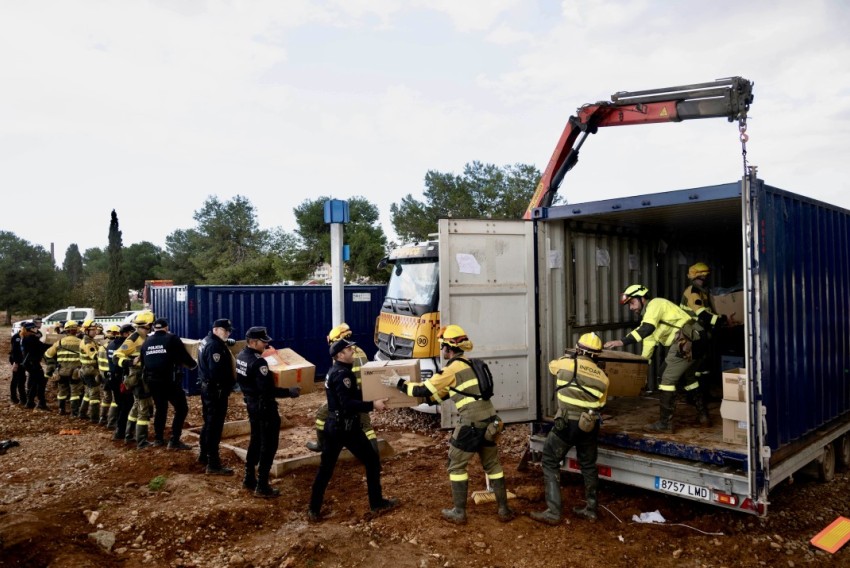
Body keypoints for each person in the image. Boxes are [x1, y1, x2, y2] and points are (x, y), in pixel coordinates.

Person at [383, 324, 514, 524]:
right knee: (493, 465)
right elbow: (443, 394)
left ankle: (459, 513)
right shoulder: (471, 364)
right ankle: (504, 509)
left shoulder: (451, 369)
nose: (441, 350)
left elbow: (422, 390)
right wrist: (429, 400)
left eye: (442, 346)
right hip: (490, 421)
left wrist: (399, 384)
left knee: (456, 465)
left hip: (471, 423)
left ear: (449, 348)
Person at [308, 337, 398, 521]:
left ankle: (313, 510)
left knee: (325, 469)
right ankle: (377, 503)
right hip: (347, 428)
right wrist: (373, 405)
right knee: (372, 461)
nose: (353, 352)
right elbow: (348, 403)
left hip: (334, 426)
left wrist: (374, 394)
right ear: (340, 355)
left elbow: (352, 395)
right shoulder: (343, 374)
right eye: (349, 350)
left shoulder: (335, 371)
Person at [604, 284, 705, 433]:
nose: (631, 308)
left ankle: (665, 424)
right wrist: (640, 372)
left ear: (642, 298)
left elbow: (646, 329)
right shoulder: (649, 319)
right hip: (696, 339)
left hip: (687, 339)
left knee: (665, 378)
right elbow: (648, 347)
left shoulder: (655, 304)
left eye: (632, 302)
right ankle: (703, 415)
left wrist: (621, 342)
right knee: (688, 378)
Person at [531, 333, 609, 525]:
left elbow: (551, 367)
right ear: (597, 354)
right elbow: (601, 403)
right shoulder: (603, 378)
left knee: (549, 461)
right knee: (588, 466)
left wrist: (569, 358)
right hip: (588, 424)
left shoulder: (565, 364)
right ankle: (591, 510)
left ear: (578, 349)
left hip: (565, 424)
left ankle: (553, 512)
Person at [236, 326, 301, 497]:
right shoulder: (259, 362)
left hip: (251, 405)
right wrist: (289, 392)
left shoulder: (241, 356)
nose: (266, 344)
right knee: (269, 445)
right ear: (253, 342)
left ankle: (249, 478)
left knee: (255, 441)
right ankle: (262, 485)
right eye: (263, 342)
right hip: (264, 407)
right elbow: (267, 390)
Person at [306, 323, 376, 454]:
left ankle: (321, 445)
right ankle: (374, 457)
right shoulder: (359, 351)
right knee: (366, 426)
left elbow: (343, 383)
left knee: (321, 414)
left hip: (352, 397)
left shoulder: (345, 356)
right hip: (364, 394)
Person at [680, 262, 729, 426]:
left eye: (706, 275)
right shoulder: (693, 292)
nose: (705, 278)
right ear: (698, 276)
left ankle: (702, 396)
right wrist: (721, 320)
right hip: (692, 335)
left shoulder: (703, 292)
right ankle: (695, 401)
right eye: (703, 276)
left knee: (703, 369)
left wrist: (720, 320)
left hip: (701, 335)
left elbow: (708, 313)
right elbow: (702, 315)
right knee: (693, 371)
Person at [141, 318, 197, 449]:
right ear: (166, 327)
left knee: (161, 409)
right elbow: (183, 356)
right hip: (168, 381)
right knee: (182, 409)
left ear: (154, 328)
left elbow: (143, 362)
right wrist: (194, 365)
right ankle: (174, 440)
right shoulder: (172, 338)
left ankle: (158, 439)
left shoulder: (146, 342)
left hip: (152, 382)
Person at [198, 318, 238, 475]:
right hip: (216, 392)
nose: (227, 333)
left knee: (208, 423)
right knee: (214, 427)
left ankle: (203, 455)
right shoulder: (215, 346)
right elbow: (217, 373)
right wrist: (232, 384)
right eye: (225, 330)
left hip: (208, 390)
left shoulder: (207, 340)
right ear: (216, 330)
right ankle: (213, 464)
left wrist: (226, 343)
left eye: (229, 331)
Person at [114, 311, 155, 448]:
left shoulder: (144, 338)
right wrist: (131, 363)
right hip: (138, 377)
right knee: (143, 409)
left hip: (141, 376)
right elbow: (116, 356)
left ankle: (129, 435)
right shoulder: (133, 339)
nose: (149, 330)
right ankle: (141, 441)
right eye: (148, 327)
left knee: (136, 406)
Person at [44, 320, 83, 416]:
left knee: (62, 390)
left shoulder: (59, 342)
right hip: (76, 372)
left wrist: (52, 366)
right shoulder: (81, 342)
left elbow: (47, 354)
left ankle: (61, 409)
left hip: (62, 371)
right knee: (75, 391)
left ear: (66, 331)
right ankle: (74, 412)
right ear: (76, 330)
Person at [109, 324, 135, 441]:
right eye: (131, 333)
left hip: (113, 379)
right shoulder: (123, 346)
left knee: (120, 405)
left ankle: (118, 429)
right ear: (125, 334)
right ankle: (121, 431)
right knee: (127, 405)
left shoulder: (111, 344)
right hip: (121, 379)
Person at [77, 320, 103, 423]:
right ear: (86, 330)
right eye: (92, 330)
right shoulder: (87, 342)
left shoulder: (90, 340)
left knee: (88, 394)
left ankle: (82, 413)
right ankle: (94, 417)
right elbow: (95, 356)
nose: (95, 332)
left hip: (87, 370)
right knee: (94, 394)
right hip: (90, 371)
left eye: (95, 330)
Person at [21, 321, 50, 410]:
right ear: (31, 329)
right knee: (41, 382)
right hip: (33, 363)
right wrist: (55, 345)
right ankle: (41, 403)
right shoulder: (31, 338)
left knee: (34, 382)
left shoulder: (26, 337)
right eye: (35, 328)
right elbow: (42, 347)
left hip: (30, 363)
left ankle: (30, 402)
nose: (37, 329)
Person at [97, 324, 121, 428]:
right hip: (111, 376)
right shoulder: (114, 347)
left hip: (103, 376)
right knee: (115, 400)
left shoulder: (101, 347)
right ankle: (111, 422)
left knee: (106, 398)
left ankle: (102, 418)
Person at [9, 322, 27, 405]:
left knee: (22, 379)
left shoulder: (25, 336)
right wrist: (15, 363)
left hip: (22, 360)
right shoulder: (16, 337)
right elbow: (14, 351)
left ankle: (22, 397)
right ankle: (14, 397)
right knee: (16, 379)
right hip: (17, 360)